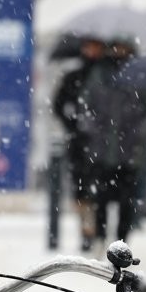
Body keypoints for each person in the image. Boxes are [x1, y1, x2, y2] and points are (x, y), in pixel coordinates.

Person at [81, 41, 146, 249]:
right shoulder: (100, 73)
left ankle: (122, 241)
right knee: (101, 197)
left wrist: (138, 128)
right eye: (116, 47)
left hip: (129, 149)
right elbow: (87, 104)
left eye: (123, 48)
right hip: (103, 148)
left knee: (126, 201)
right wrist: (94, 127)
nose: (119, 52)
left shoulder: (139, 74)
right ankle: (100, 237)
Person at [52, 39, 104, 251]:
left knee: (101, 189)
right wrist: (73, 125)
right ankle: (86, 231)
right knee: (81, 189)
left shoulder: (106, 77)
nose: (92, 51)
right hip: (79, 143)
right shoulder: (74, 76)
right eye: (89, 47)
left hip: (101, 143)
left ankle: (97, 231)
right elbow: (58, 105)